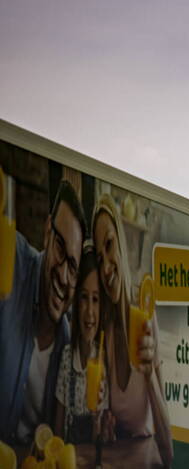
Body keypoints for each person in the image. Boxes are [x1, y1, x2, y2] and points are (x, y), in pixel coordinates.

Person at [0, 180, 86, 445]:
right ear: (48, 230)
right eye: (60, 248)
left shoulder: (68, 345)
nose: (62, 275)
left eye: (73, 267)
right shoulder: (11, 260)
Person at [93, 194, 173, 469]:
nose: (106, 268)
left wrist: (150, 374)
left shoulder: (145, 319)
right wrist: (103, 424)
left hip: (149, 465)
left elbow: (169, 453)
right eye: (99, 257)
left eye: (110, 246)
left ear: (122, 246)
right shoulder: (105, 331)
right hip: (120, 467)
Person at [54, 246, 108, 444]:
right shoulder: (67, 358)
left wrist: (98, 420)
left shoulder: (103, 365)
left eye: (95, 300)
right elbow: (58, 434)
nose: (90, 312)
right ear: (77, 302)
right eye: (84, 298)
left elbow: (100, 442)